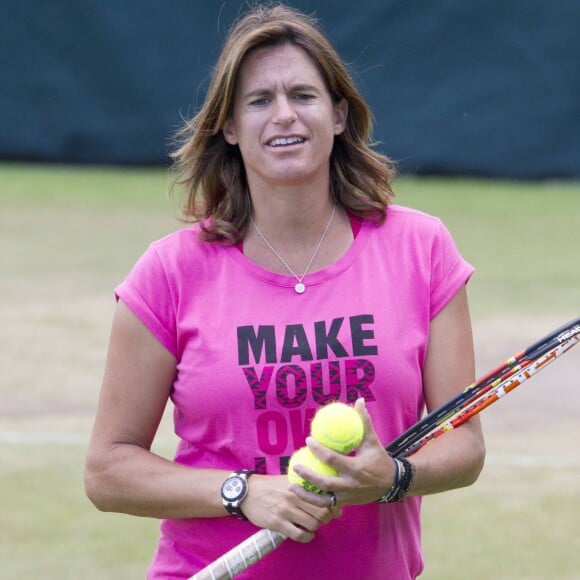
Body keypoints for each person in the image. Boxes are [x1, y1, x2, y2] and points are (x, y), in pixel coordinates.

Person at [84, 4, 486, 579]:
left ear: (340, 114)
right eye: (258, 101)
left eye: (303, 95)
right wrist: (242, 492)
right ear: (229, 126)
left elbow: (464, 446)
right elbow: (106, 471)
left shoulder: (420, 248)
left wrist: (391, 478)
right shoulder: (170, 272)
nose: (284, 116)